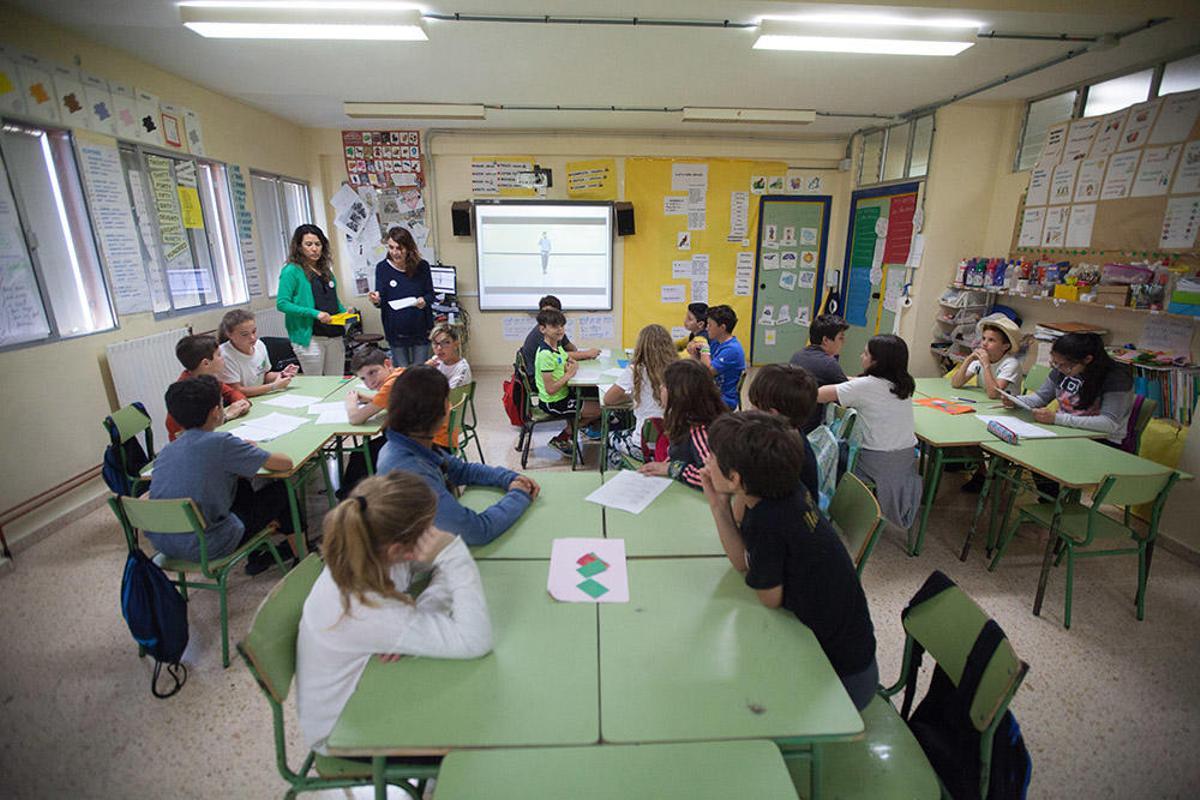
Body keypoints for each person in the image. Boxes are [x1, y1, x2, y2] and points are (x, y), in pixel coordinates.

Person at [295, 471, 493, 754]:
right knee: (482, 723)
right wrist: (455, 556)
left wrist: (422, 612)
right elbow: (475, 641)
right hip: (341, 731)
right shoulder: (368, 609)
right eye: (429, 529)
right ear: (398, 548)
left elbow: (432, 570)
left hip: (371, 686)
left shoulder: (367, 550)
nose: (435, 533)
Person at [698, 411, 878, 711]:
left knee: (732, 698)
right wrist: (719, 506)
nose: (707, 459)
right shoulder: (786, 490)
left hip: (840, 679)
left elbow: (768, 598)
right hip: (850, 655)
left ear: (736, 478)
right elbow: (744, 563)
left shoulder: (769, 521)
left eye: (713, 456)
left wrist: (726, 504)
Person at [148, 376, 294, 575]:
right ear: (217, 412)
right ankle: (300, 553)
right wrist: (253, 449)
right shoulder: (222, 443)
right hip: (207, 546)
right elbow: (285, 464)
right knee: (281, 489)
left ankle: (262, 549)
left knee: (241, 485)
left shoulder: (166, 450)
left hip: (165, 544)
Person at [376, 366, 539, 544]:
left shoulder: (410, 443)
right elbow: (477, 531)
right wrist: (519, 495)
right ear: (442, 412)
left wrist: (509, 478)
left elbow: (461, 470)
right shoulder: (410, 471)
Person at [817, 334, 923, 531]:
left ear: (877, 362)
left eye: (866, 354)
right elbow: (862, 386)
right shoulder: (904, 385)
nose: (861, 356)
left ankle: (834, 509)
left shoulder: (864, 386)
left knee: (828, 452)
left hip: (875, 462)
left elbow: (819, 394)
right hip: (905, 461)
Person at [1005, 332, 1134, 446]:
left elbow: (1109, 423)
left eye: (1065, 365)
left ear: (1087, 359)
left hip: (1100, 440)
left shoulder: (1116, 378)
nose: (1058, 368)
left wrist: (1056, 419)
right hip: (1063, 431)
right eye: (1055, 363)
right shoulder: (1061, 368)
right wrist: (1016, 401)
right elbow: (1041, 398)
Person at [639, 359, 727, 489]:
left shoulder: (700, 431)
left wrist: (673, 469)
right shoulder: (684, 420)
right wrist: (665, 465)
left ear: (679, 394)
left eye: (664, 385)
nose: (660, 388)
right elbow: (680, 457)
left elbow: (716, 478)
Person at [277, 224, 349, 376]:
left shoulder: (326, 271)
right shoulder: (291, 270)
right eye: (309, 244)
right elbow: (282, 303)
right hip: (310, 338)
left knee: (336, 381)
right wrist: (315, 313)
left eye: (318, 244)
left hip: (334, 334)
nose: (314, 249)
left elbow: (332, 300)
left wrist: (344, 312)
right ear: (299, 247)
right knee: (316, 383)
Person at [746, 364, 821, 505]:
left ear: (771, 414)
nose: (749, 410)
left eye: (754, 405)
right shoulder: (788, 435)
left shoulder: (779, 458)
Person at [603, 324, 674, 468]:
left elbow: (608, 399)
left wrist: (632, 396)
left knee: (608, 438)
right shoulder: (679, 369)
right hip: (671, 445)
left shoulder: (636, 370)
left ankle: (623, 472)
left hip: (643, 446)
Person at [534, 308, 601, 457]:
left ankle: (570, 433)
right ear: (543, 329)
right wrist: (570, 374)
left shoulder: (557, 347)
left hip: (563, 395)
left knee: (595, 398)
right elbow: (550, 389)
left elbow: (567, 358)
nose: (560, 329)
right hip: (554, 402)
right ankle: (563, 437)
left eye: (562, 326)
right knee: (600, 409)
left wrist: (571, 363)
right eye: (554, 326)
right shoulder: (545, 355)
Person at [367, 226, 435, 367]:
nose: (395, 252)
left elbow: (431, 295)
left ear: (408, 248)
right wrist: (376, 300)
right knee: (401, 373)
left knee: (419, 371)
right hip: (395, 330)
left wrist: (424, 300)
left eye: (399, 248)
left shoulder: (422, 266)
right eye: (391, 248)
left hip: (420, 328)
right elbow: (381, 299)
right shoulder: (382, 268)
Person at [165, 334, 250, 441]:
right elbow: (177, 431)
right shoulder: (184, 392)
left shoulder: (210, 379)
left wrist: (241, 402)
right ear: (206, 363)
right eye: (219, 355)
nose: (223, 359)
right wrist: (227, 415)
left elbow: (232, 393)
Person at [789, 314, 850, 433]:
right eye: (841, 338)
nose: (844, 342)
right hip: (812, 430)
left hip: (795, 423)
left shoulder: (798, 355)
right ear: (825, 340)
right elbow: (849, 394)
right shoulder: (828, 364)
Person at [217, 309, 297, 397]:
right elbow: (236, 391)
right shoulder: (224, 355)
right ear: (229, 335)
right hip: (242, 400)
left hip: (260, 395)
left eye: (254, 331)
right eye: (244, 334)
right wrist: (273, 386)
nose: (252, 337)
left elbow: (264, 376)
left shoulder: (259, 345)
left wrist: (282, 374)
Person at [520, 295, 599, 378]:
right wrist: (586, 354)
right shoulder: (543, 333)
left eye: (552, 314)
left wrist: (578, 355)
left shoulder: (557, 330)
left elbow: (571, 349)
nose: (549, 317)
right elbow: (555, 355)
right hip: (538, 376)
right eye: (545, 313)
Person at [952, 314, 1023, 398]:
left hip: (1003, 404)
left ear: (1005, 346)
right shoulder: (980, 358)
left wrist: (986, 365)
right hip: (984, 401)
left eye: (991, 340)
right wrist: (968, 360)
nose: (984, 343)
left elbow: (993, 394)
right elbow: (956, 383)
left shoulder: (1011, 364)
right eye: (983, 338)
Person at [688, 304, 745, 409]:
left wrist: (704, 348)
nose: (707, 328)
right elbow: (698, 369)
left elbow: (706, 372)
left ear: (722, 327)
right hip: (711, 392)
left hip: (723, 399)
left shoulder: (732, 349)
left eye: (710, 325)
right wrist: (694, 353)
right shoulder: (716, 342)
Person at [425, 323, 472, 388]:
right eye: (435, 343)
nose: (439, 348)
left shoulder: (462, 369)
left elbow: (447, 393)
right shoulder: (435, 361)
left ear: (456, 344)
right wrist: (424, 370)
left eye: (445, 343)